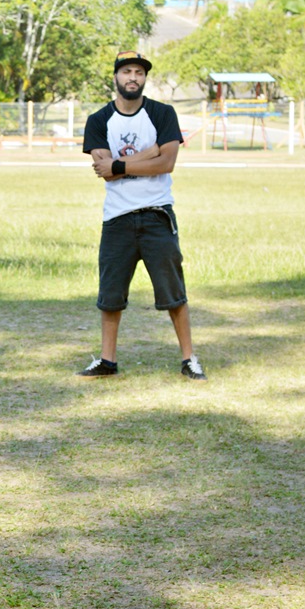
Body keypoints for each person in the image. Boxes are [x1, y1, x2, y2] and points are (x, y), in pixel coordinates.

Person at [79, 50, 207, 381]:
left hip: (156, 215)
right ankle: (107, 360)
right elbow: (104, 171)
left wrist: (123, 163)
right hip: (117, 219)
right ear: (116, 77)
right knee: (110, 295)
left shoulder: (162, 113)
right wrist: (150, 152)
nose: (133, 77)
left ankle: (189, 358)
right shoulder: (98, 120)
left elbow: (166, 163)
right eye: (126, 71)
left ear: (145, 78)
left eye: (139, 71)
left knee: (173, 292)